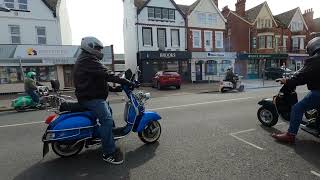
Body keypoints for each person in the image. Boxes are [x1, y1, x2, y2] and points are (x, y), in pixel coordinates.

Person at [73, 37, 134, 165]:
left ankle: (108, 137)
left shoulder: (88, 59)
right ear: (90, 47)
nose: (100, 51)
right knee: (106, 120)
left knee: (108, 112)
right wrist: (126, 81)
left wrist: (114, 87)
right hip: (91, 98)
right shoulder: (88, 59)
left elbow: (98, 79)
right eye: (98, 48)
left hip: (92, 96)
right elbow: (106, 74)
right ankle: (108, 153)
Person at [272, 37, 320, 143]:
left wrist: (288, 81)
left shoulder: (315, 60)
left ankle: (290, 135)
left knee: (297, 108)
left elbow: (302, 75)